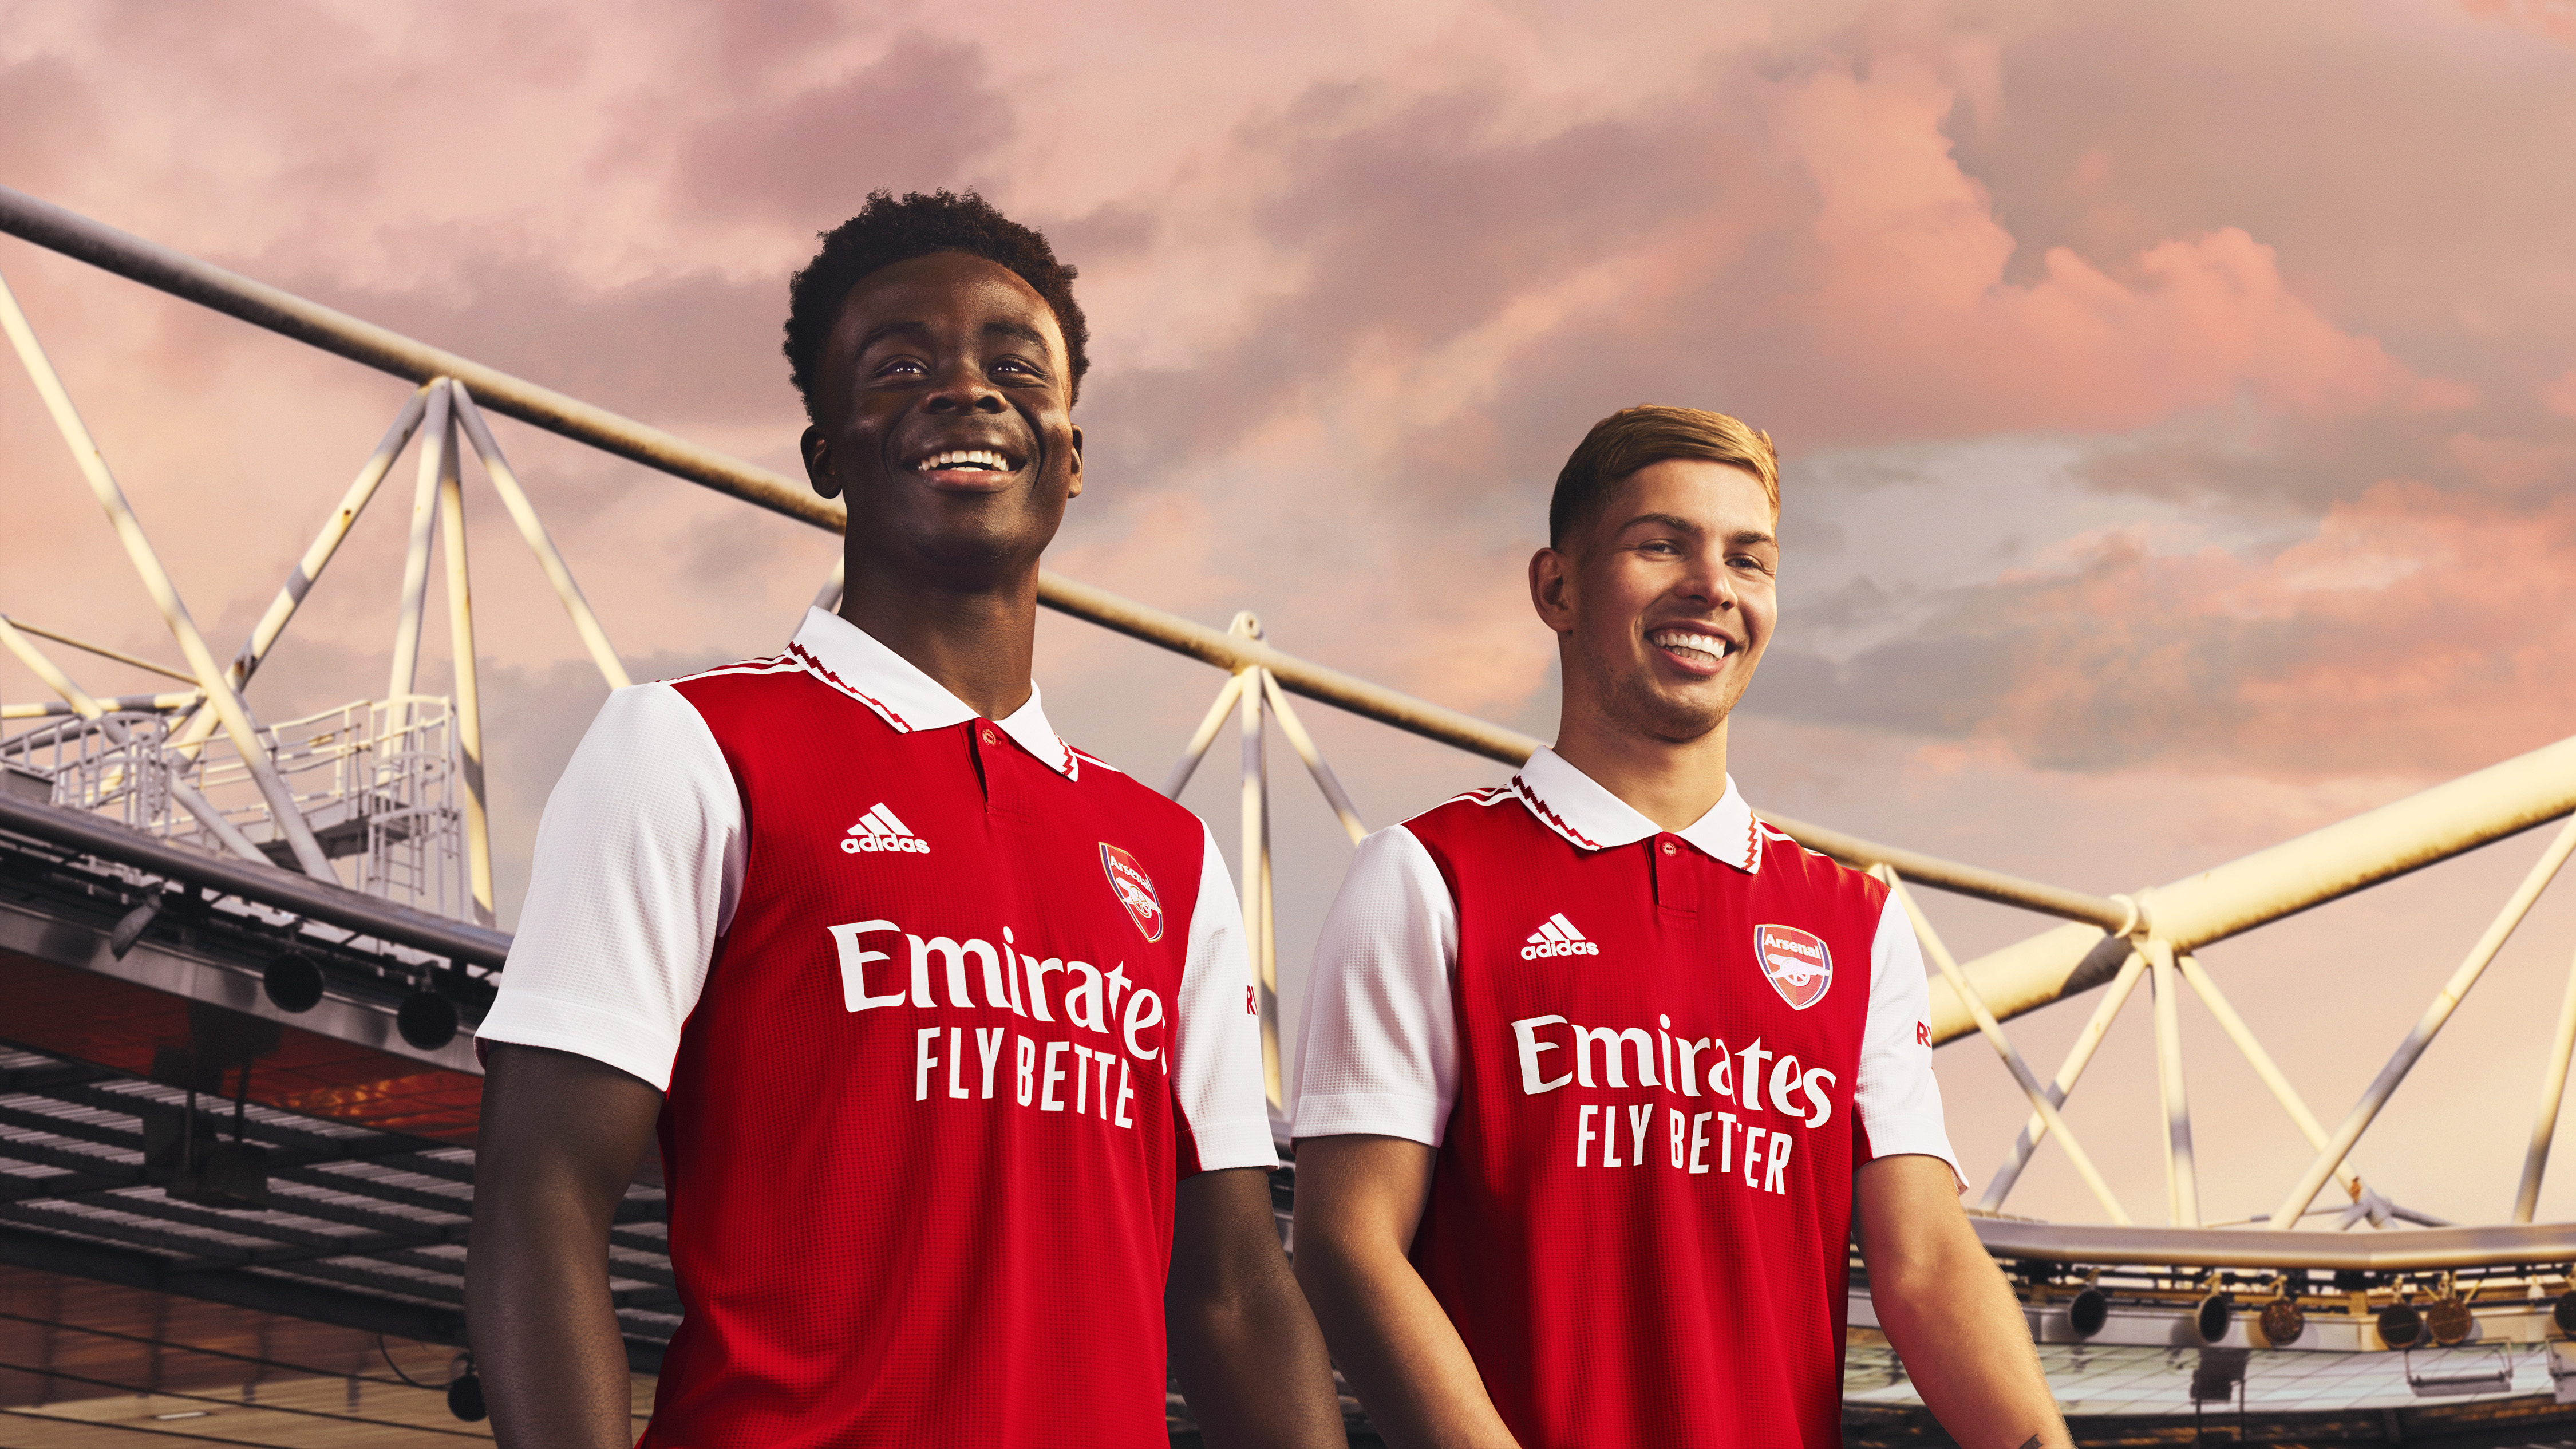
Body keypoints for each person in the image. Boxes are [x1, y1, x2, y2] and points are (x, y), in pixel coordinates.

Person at [467, 189, 1344, 1449]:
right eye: (900, 367)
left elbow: (1237, 1295)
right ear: (828, 454)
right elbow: (540, 1194)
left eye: (1015, 368)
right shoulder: (689, 745)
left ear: (1070, 453)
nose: (967, 390)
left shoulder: (1170, 854)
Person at [1288, 406, 2067, 1448]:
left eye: (1749, 559)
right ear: (1557, 589)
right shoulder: (1427, 875)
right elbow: (1347, 1246)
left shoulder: (1857, 920)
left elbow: (1923, 1264)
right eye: (1662, 545)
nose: (1713, 586)